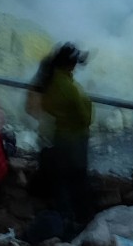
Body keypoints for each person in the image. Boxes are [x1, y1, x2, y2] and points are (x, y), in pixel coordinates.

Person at [27, 43, 95, 227]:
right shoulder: (69, 88)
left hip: (51, 137)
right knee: (75, 180)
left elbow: (32, 108)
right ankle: (76, 221)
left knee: (59, 179)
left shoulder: (46, 80)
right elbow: (85, 118)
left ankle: (61, 218)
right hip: (71, 139)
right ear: (70, 64)